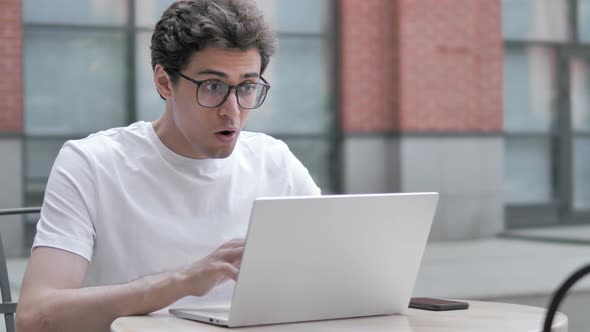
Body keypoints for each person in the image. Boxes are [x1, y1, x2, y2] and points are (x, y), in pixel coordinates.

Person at [16, 0, 321, 331]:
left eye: (246, 87)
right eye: (213, 86)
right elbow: (35, 317)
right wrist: (181, 282)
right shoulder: (92, 163)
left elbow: (335, 273)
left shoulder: (274, 161)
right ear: (164, 82)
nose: (232, 111)